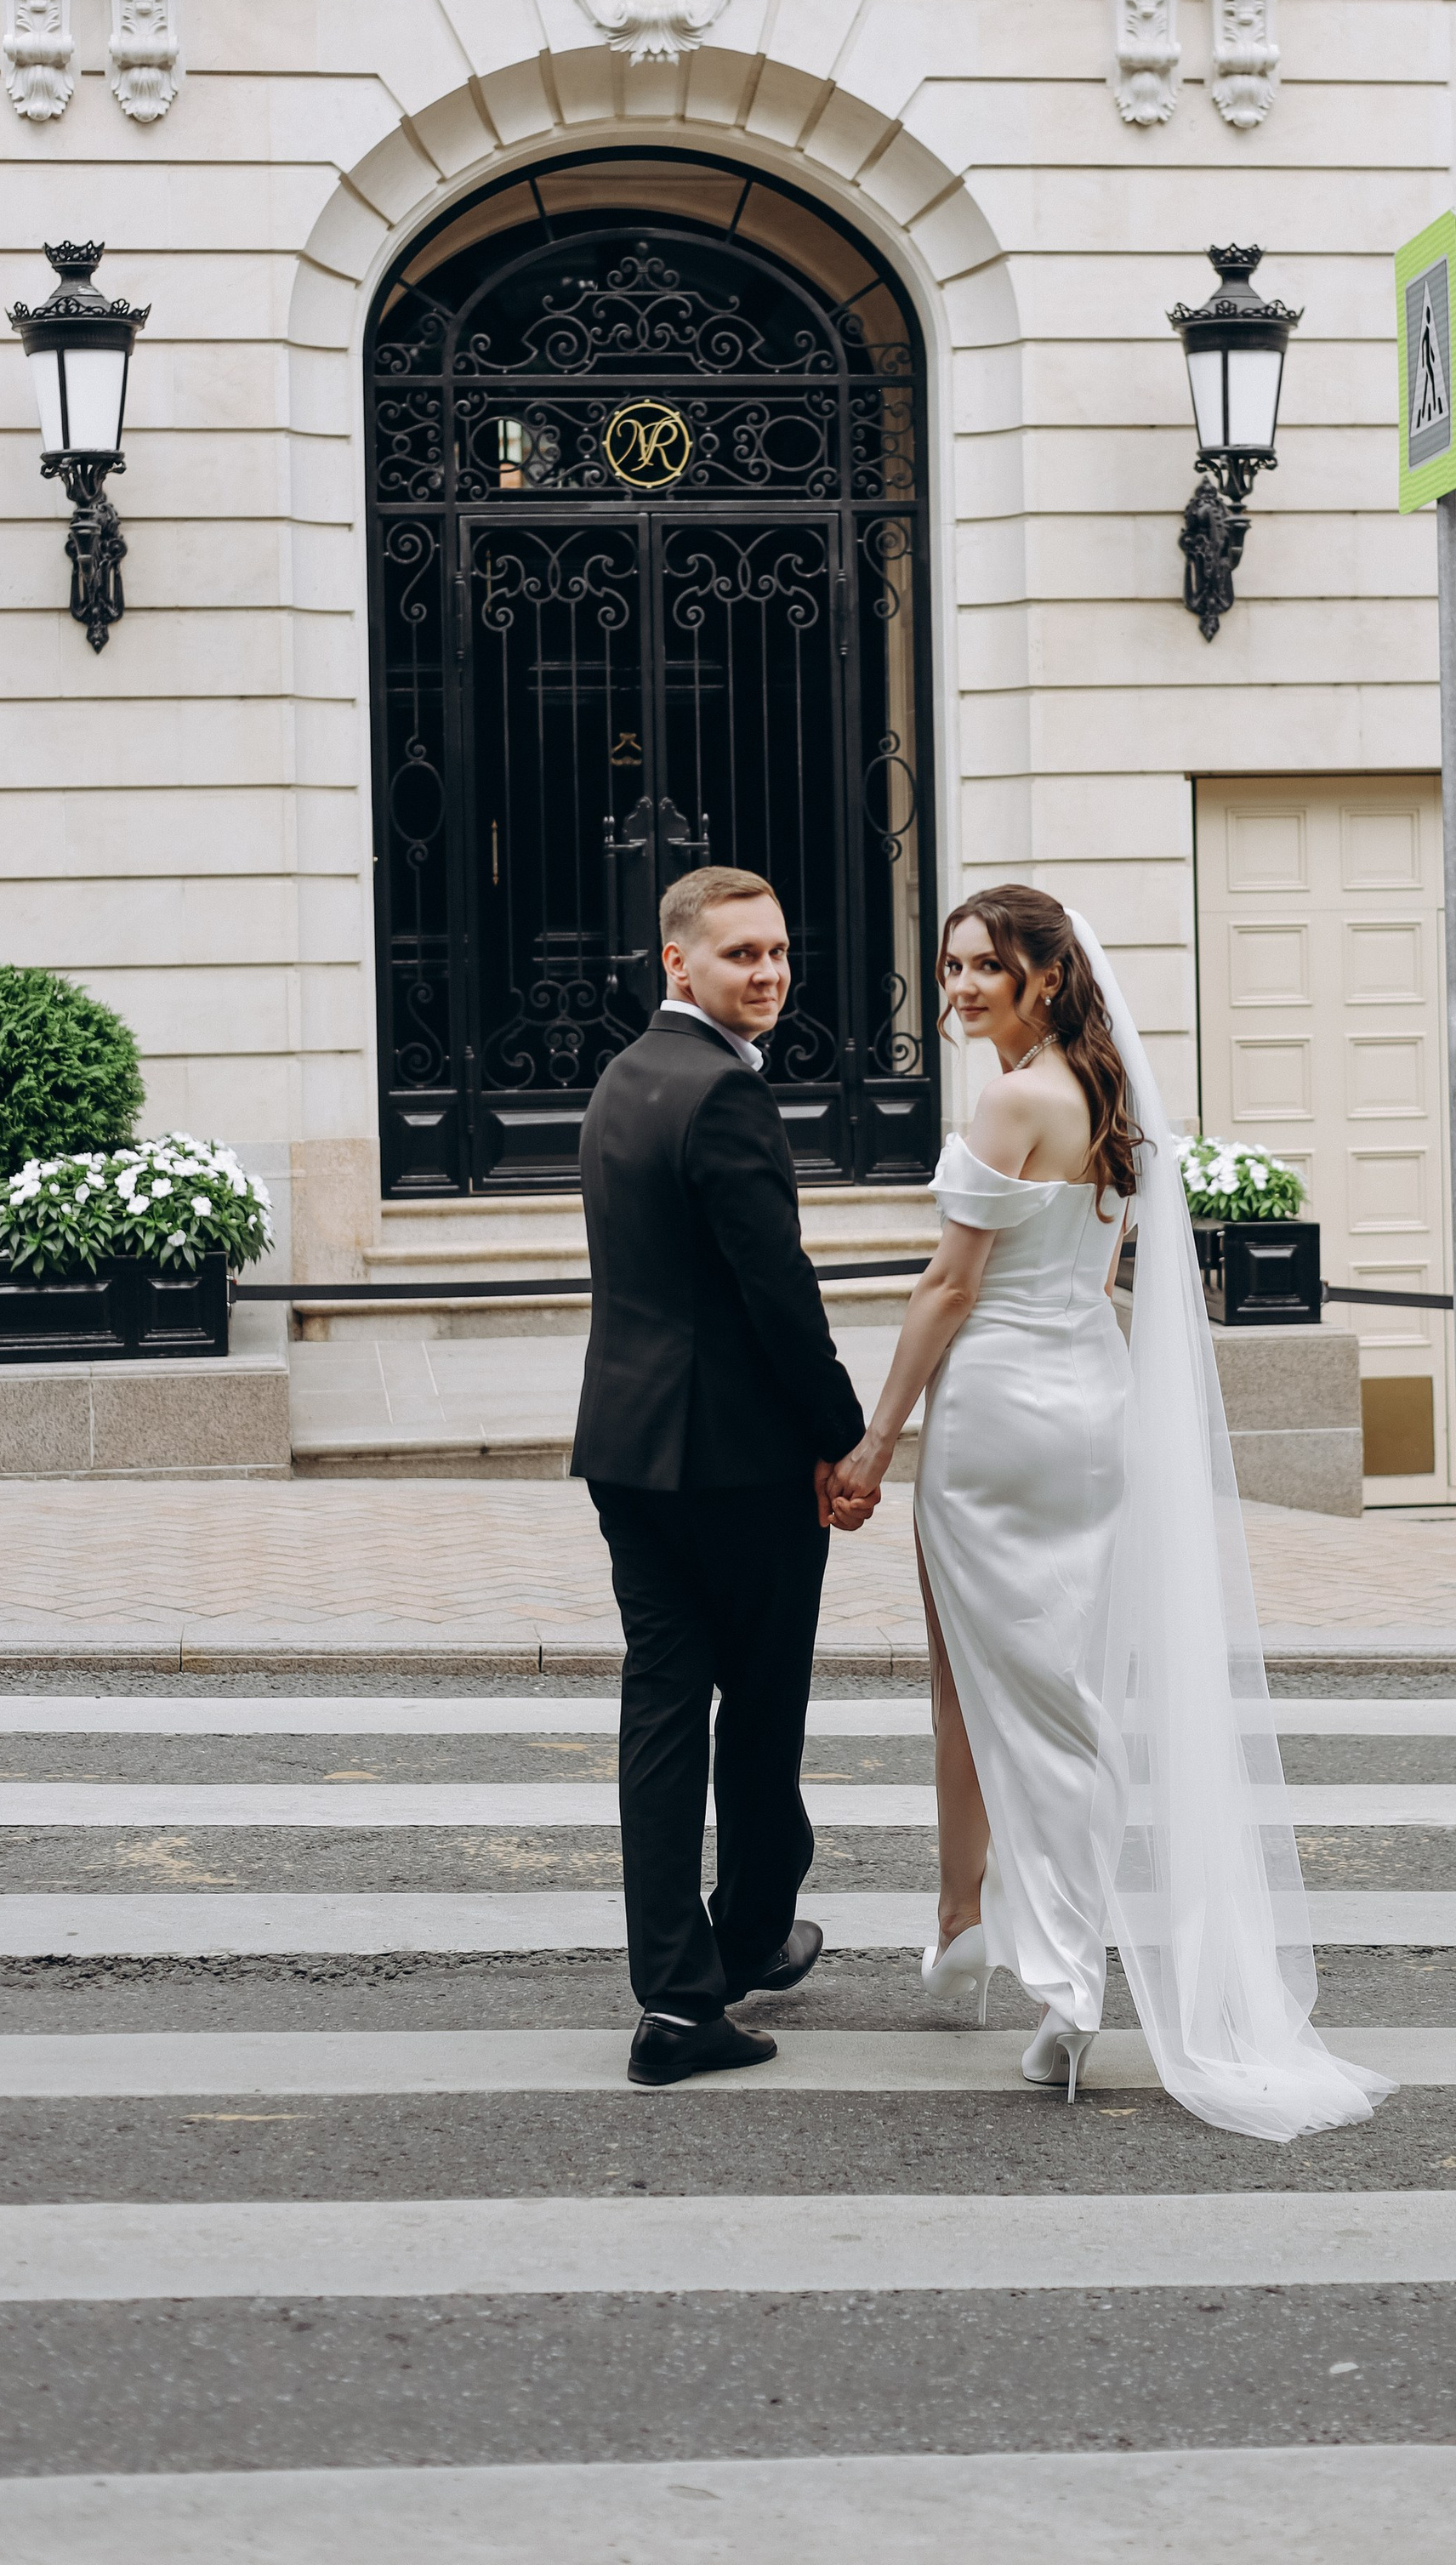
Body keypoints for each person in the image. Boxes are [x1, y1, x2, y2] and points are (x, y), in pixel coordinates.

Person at [829, 885, 1393, 2141]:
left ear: (1043, 974)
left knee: (1015, 1694)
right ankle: (965, 1925)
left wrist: (876, 1438)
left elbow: (947, 1286)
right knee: (1010, 1679)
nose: (963, 987)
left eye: (987, 968)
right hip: (1090, 1400)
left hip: (1001, 1422)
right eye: (951, 967)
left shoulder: (1015, 1097)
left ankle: (1066, 1978)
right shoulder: (1104, 1093)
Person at [573, 864, 875, 2090]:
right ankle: (742, 1942)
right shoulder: (726, 1098)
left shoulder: (623, 1079)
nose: (770, 973)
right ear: (679, 962)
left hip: (627, 1448)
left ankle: (679, 1991)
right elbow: (778, 1298)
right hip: (736, 1463)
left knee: (661, 1715)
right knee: (757, 1714)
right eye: (743, 953)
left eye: (781, 951)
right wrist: (844, 1435)